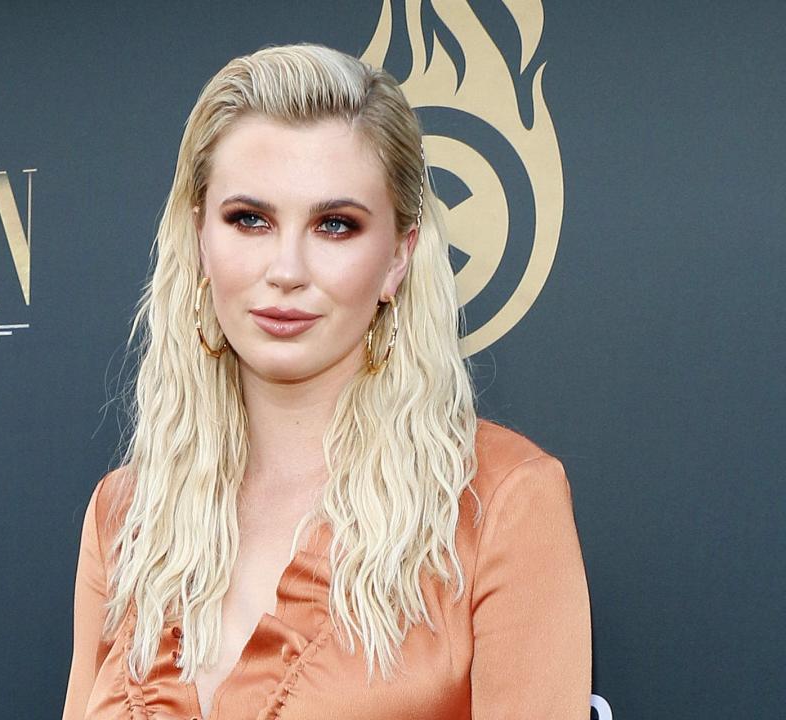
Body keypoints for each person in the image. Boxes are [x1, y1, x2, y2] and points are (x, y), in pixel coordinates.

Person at [61, 42, 591, 720]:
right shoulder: (126, 518)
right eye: (248, 219)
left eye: (335, 225)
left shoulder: (501, 504)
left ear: (399, 256)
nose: (286, 268)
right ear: (200, 238)